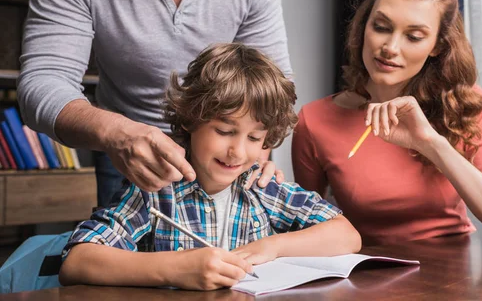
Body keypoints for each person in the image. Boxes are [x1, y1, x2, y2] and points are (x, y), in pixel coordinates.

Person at [17, 0, 291, 207]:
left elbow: (272, 86)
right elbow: (45, 81)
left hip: (225, 156)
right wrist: (117, 133)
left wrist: (248, 155)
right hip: (126, 156)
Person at [58, 43, 361, 290]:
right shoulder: (156, 190)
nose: (238, 151)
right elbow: (77, 261)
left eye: (255, 137)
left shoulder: (262, 188)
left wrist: (275, 246)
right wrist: (174, 269)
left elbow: (347, 235)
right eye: (224, 131)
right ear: (191, 120)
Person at [292, 0, 482, 245]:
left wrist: (430, 143)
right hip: (364, 281)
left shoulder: (465, 106)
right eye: (381, 27)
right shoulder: (315, 121)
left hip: (458, 279)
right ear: (364, 26)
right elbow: (302, 229)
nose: (390, 47)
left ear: (437, 46)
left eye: (414, 36)